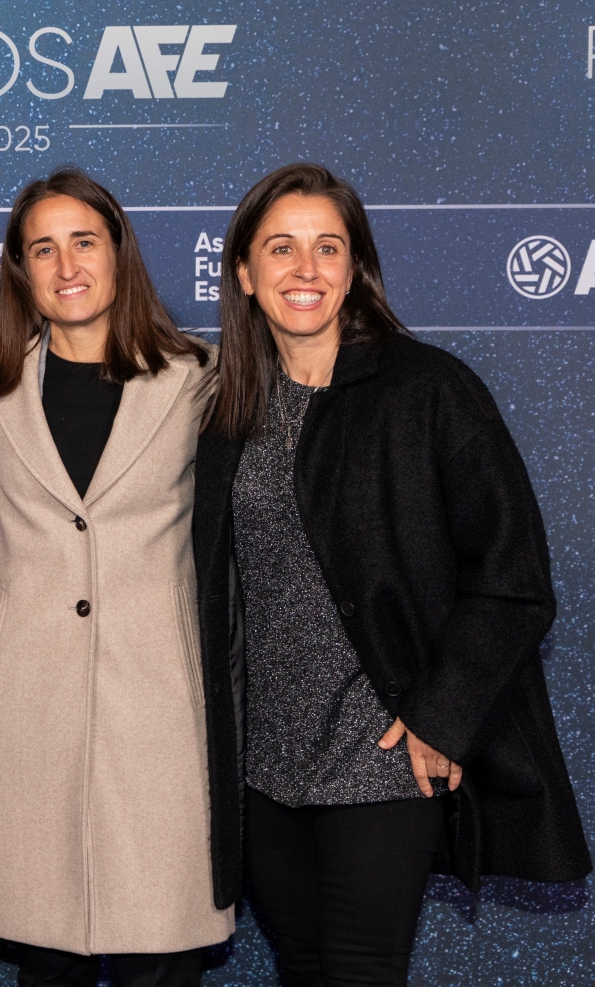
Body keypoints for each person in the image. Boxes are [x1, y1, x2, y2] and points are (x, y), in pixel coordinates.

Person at [193, 163, 589, 986]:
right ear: (244, 273)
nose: (305, 269)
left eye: (328, 247)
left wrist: (441, 718)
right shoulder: (225, 406)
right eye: (281, 248)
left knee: (362, 972)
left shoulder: (428, 389)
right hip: (262, 765)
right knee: (304, 967)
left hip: (382, 755)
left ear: (356, 266)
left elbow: (514, 575)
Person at [0, 167, 228, 987]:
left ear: (118, 253)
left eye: (84, 242)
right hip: (26, 714)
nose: (66, 265)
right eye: (43, 249)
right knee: (46, 962)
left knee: (162, 958)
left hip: (161, 717)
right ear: (20, 271)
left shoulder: (197, 379)